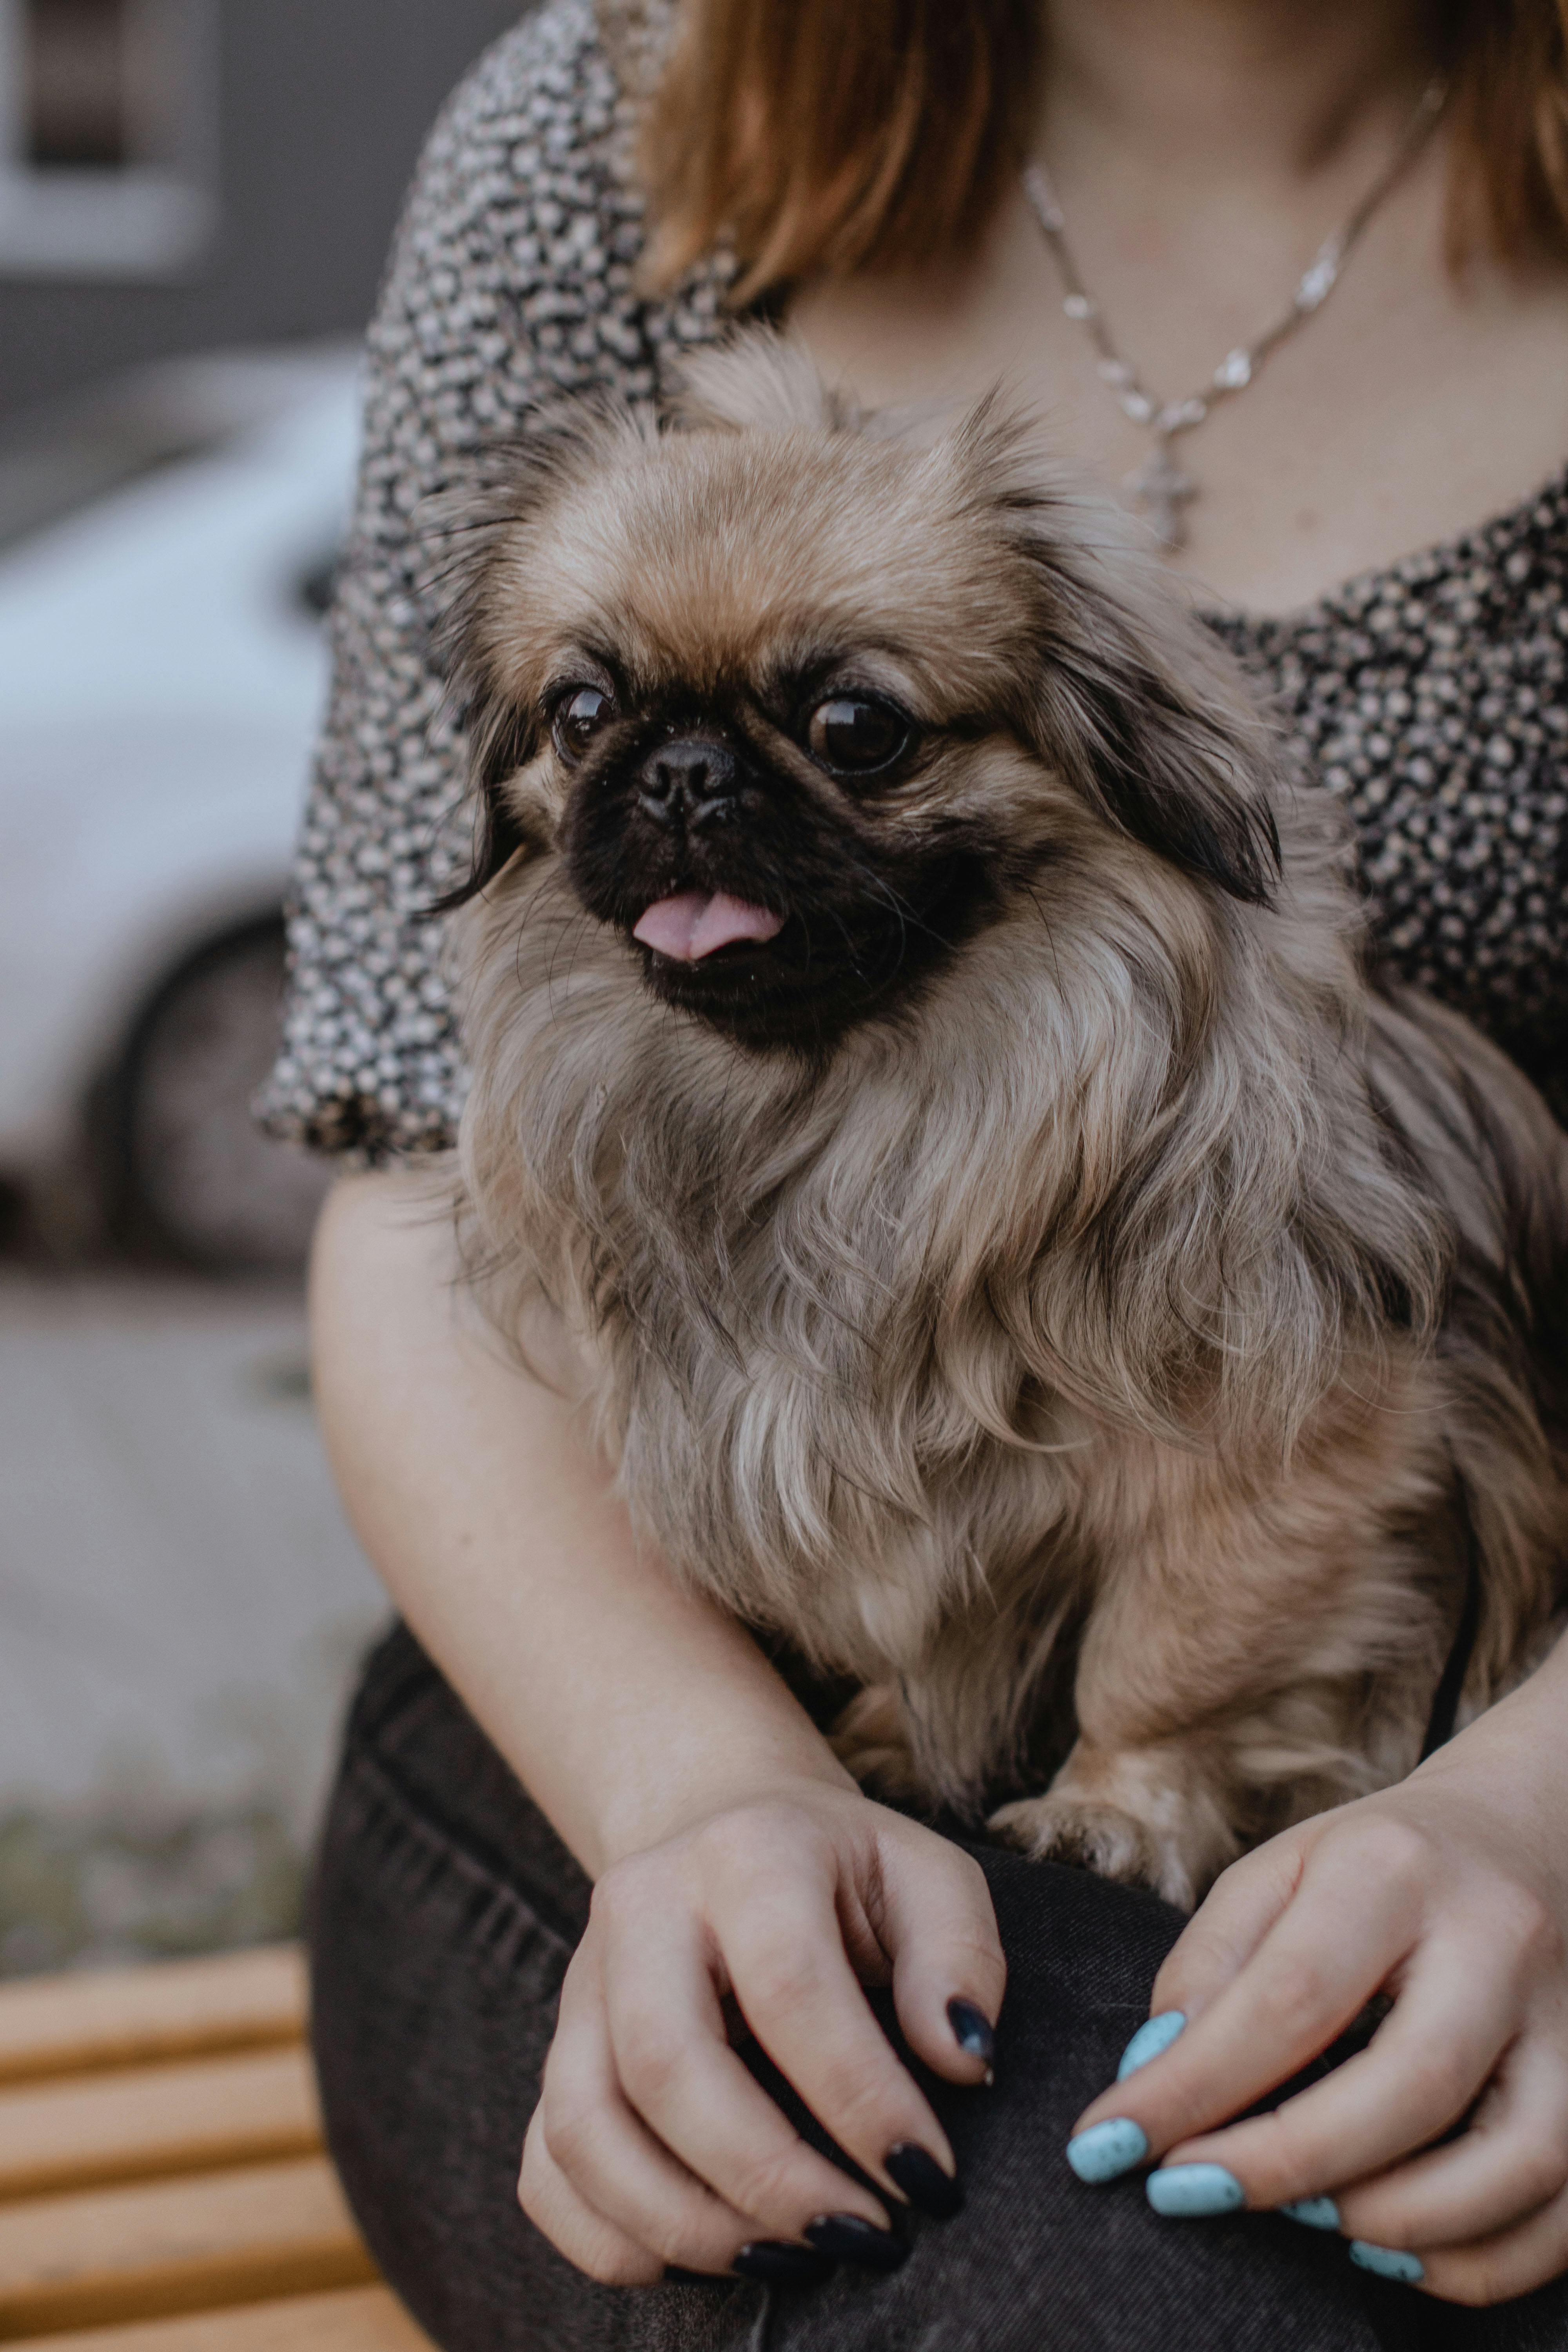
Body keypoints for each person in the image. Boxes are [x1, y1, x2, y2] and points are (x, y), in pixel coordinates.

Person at [261, 2, 1568, 2344]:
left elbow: (1324, 1417)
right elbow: (393, 1152)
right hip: (636, 1674)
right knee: (1098, 2278)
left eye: (846, 731)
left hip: (1474, 1728)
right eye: (594, 725)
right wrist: (695, 1797)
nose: (682, 792)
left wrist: (1529, 1825)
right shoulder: (608, 124)